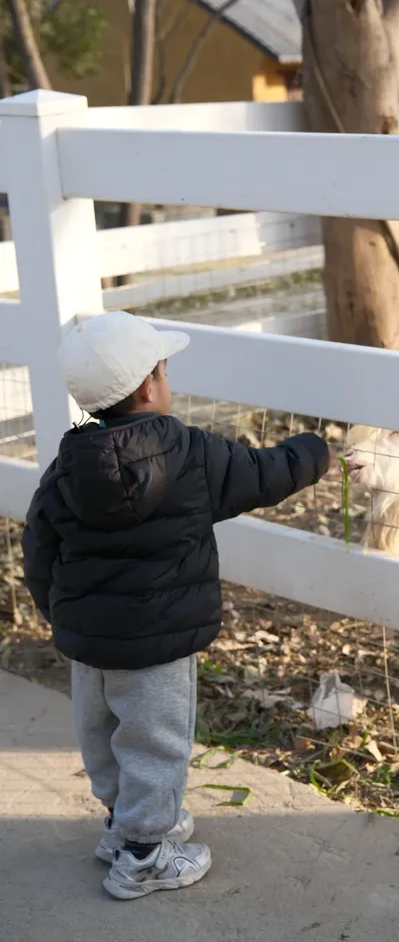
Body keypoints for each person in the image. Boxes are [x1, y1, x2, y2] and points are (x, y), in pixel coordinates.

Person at [21, 311, 333, 901]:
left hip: (88, 642)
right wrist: (315, 450)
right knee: (156, 742)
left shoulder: (67, 467)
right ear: (147, 386)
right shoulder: (189, 454)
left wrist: (60, 612)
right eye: (163, 371)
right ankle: (143, 856)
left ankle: (123, 825)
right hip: (158, 643)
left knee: (104, 732)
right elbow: (263, 474)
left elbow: (39, 546)